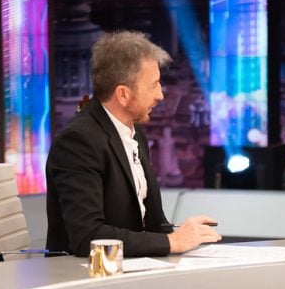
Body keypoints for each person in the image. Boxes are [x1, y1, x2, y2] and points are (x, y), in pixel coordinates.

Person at [46, 30, 221, 257]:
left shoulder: (135, 130)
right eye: (154, 85)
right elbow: (87, 237)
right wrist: (171, 242)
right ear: (123, 95)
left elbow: (149, 223)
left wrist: (183, 233)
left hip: (131, 270)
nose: (161, 95)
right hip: (83, 277)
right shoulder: (77, 143)